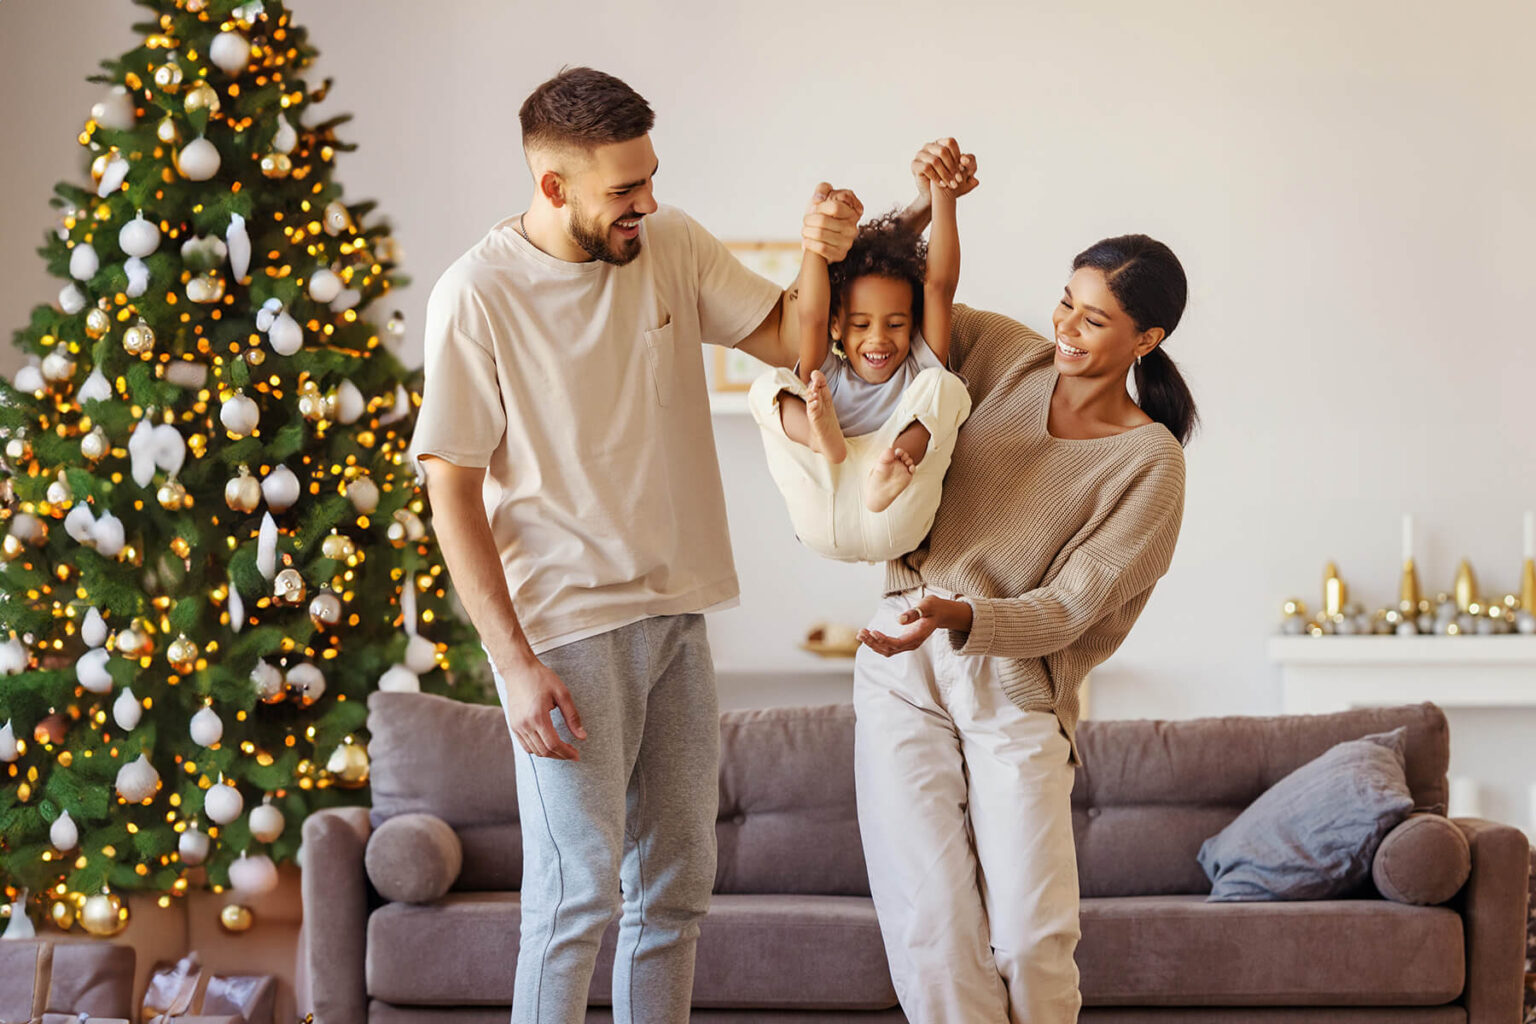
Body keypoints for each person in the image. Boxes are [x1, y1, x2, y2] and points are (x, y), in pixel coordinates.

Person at [406, 67, 861, 1024]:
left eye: (649, 179)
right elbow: (449, 492)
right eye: (623, 190)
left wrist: (820, 253)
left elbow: (794, 342)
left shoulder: (671, 244)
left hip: (679, 612)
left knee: (675, 897)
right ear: (553, 187)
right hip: (565, 631)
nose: (645, 203)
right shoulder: (475, 294)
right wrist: (514, 664)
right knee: (573, 903)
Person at [852, 139, 1196, 1024]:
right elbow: (893, 294)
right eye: (1065, 304)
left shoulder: (1147, 461)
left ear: (1145, 340)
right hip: (902, 662)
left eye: (1094, 322)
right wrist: (933, 199)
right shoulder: (998, 352)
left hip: (1015, 686)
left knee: (1032, 941)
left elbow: (1075, 603)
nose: (1066, 330)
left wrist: (960, 611)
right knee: (929, 934)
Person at [746, 160, 976, 563]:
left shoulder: (920, 368)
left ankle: (897, 462)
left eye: (896, 323)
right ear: (837, 326)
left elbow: (939, 286)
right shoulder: (825, 376)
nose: (878, 339)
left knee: (944, 386)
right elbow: (810, 314)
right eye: (860, 324)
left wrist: (945, 196)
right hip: (824, 501)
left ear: (914, 324)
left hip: (894, 507)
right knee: (767, 387)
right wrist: (816, 244)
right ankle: (819, 437)